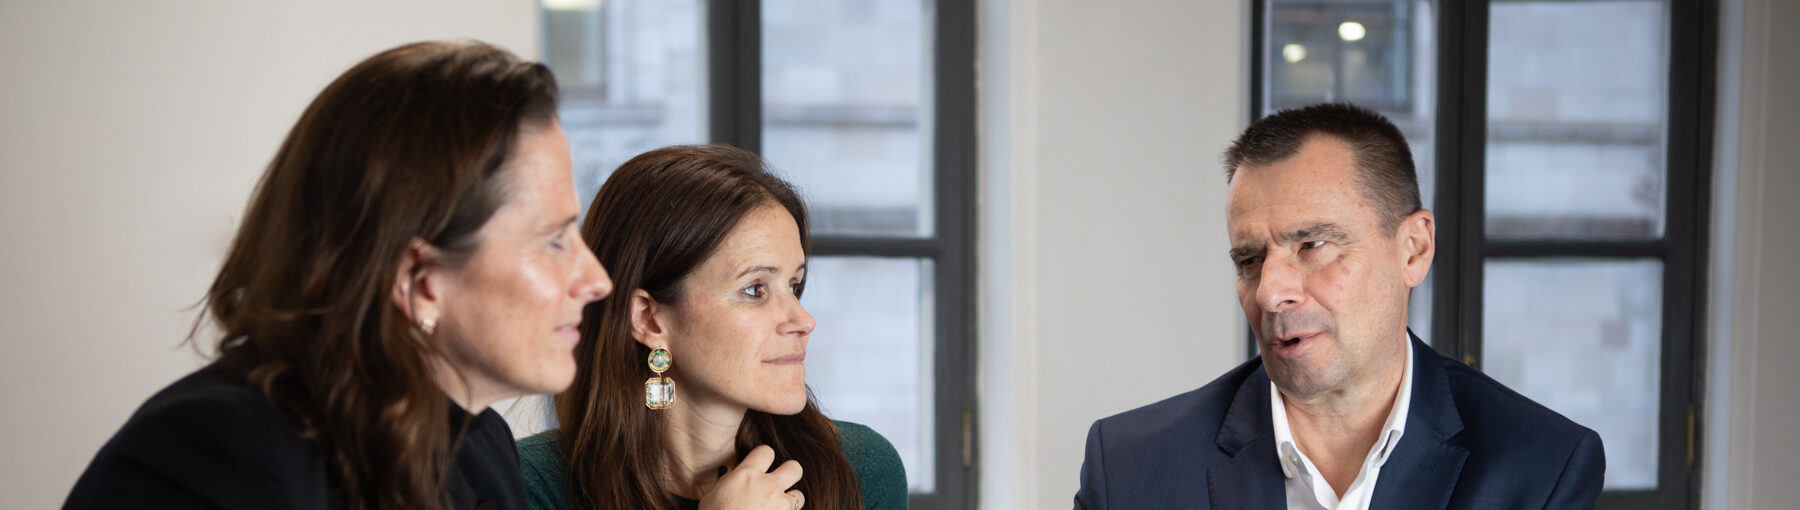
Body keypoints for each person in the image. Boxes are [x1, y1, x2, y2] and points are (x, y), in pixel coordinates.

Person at [63, 41, 613, 510]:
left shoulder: (478, 445)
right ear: (418, 282)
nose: (596, 280)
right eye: (554, 240)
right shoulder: (205, 461)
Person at [1073, 103, 1605, 509]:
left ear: (1413, 249)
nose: (1270, 292)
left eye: (1313, 245)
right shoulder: (1129, 469)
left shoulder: (1541, 467)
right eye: (1250, 259)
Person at [516, 145, 908, 510]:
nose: (804, 321)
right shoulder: (525, 485)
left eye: (794, 285)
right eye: (755, 289)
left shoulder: (860, 467)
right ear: (648, 319)